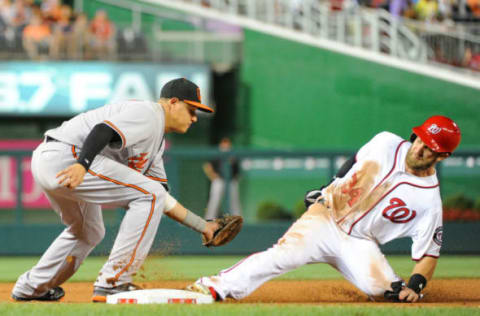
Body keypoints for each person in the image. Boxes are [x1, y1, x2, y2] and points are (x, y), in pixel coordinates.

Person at [187, 115, 461, 303]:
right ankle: (214, 286)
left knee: (386, 291)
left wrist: (415, 286)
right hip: (327, 217)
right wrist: (327, 187)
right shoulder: (386, 142)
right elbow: (354, 161)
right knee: (285, 256)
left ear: (443, 156)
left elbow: (428, 254)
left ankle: (390, 286)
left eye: (430, 147)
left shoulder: (429, 201)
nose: (420, 148)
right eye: (420, 139)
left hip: (359, 242)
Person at [11, 78, 221, 302]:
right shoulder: (150, 114)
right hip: (69, 158)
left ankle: (31, 287)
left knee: (89, 231)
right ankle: (114, 282)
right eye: (191, 109)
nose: (194, 117)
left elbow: (161, 199)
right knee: (149, 195)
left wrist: (202, 226)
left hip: (54, 159)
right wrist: (82, 165)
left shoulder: (155, 145)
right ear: (173, 102)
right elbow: (102, 130)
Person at [203, 137, 242, 219]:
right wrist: (213, 176)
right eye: (224, 145)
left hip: (231, 181)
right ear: (220, 145)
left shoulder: (233, 155)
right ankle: (209, 220)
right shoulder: (217, 154)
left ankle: (237, 220)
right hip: (219, 180)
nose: (225, 147)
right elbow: (207, 166)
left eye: (227, 145)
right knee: (214, 201)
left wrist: (236, 178)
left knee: (234, 203)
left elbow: (238, 171)